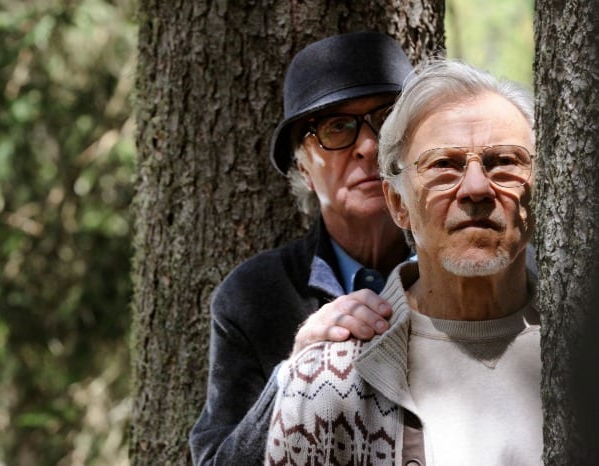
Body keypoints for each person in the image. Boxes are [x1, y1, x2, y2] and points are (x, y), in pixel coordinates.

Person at [265, 59, 542, 466]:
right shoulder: (322, 384)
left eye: (504, 161)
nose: (477, 188)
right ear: (398, 204)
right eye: (443, 165)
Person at [190, 32, 415, 465]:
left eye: (388, 119)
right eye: (337, 128)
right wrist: (294, 375)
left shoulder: (480, 269)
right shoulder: (253, 297)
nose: (369, 145)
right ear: (303, 168)